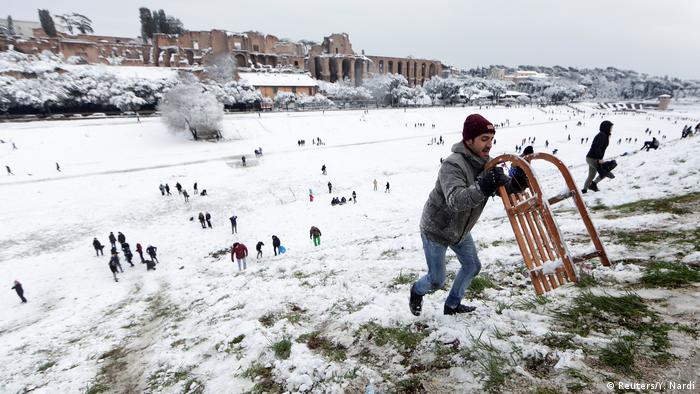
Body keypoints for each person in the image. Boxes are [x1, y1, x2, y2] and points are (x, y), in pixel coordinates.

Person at [409, 114, 528, 316]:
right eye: (484, 138)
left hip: (460, 230)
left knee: (472, 266)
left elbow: (501, 190)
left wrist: (516, 184)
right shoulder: (452, 165)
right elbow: (455, 200)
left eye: (491, 138)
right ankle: (416, 291)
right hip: (436, 229)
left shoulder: (487, 165)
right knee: (437, 280)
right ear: (469, 140)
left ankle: (452, 305)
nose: (489, 144)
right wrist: (484, 184)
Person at [582, 120, 613, 193]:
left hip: (590, 158)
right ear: (606, 127)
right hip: (593, 158)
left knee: (591, 175)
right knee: (604, 172)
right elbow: (596, 147)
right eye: (610, 127)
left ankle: (584, 190)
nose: (611, 128)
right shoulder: (602, 135)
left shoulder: (603, 135)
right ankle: (593, 185)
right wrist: (599, 159)